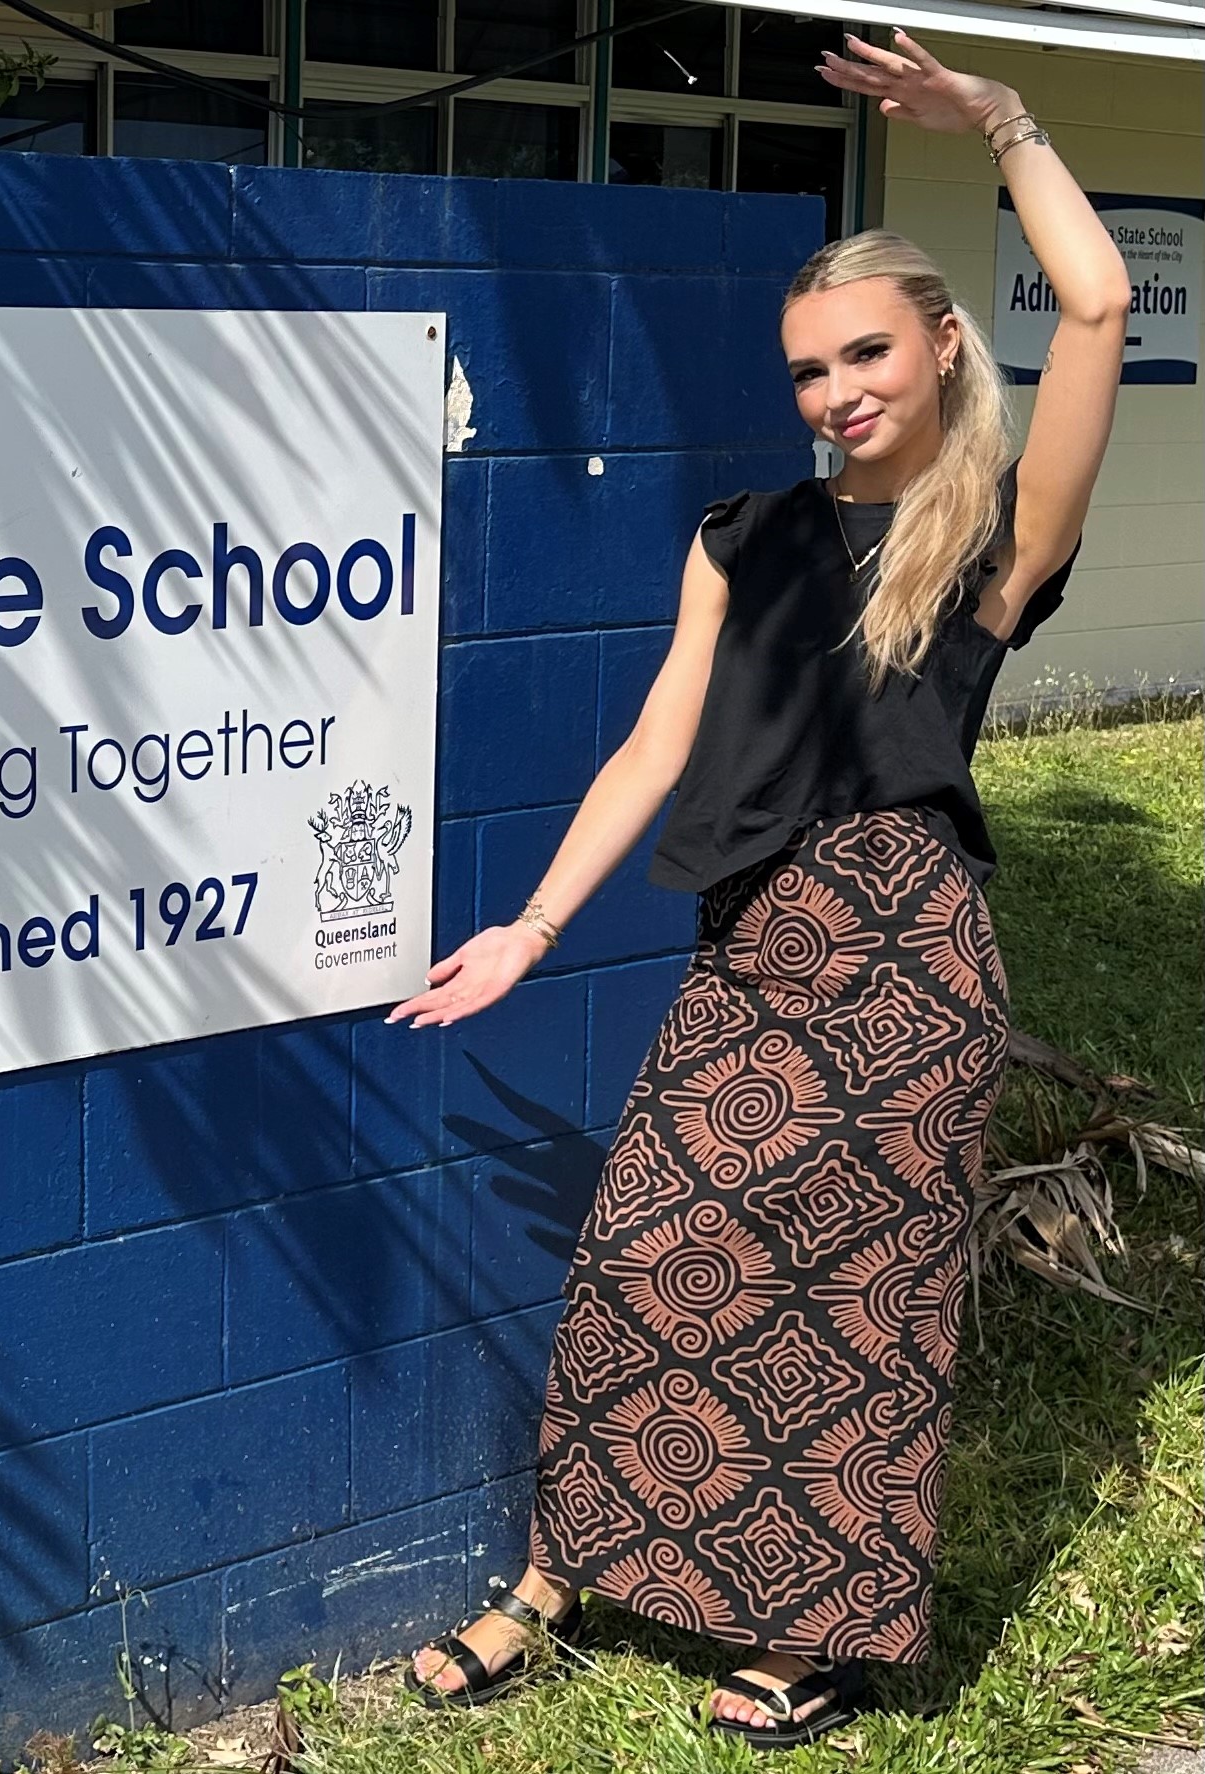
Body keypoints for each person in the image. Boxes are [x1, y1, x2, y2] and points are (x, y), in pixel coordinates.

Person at [377, 28, 1130, 1749]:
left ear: (942, 346)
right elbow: (651, 751)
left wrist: (998, 120)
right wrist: (531, 927)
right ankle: (559, 1579)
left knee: (860, 1306)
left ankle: (813, 1632)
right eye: (807, 369)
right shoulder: (743, 535)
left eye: (866, 352)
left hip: (908, 959)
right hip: (752, 951)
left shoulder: (996, 541)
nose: (836, 390)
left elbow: (1092, 309)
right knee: (648, 1250)